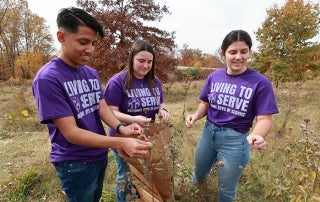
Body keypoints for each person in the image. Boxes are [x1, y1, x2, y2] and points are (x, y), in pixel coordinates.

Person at [32, 7, 152, 202]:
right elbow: (71, 133)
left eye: (94, 43)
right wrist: (121, 142)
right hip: (75, 162)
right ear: (61, 37)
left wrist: (122, 128)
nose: (90, 49)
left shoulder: (90, 73)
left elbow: (101, 106)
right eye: (83, 42)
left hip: (99, 154)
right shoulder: (48, 79)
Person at [185, 30, 279, 202]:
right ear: (223, 54)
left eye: (243, 51)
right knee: (197, 176)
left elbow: (264, 119)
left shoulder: (260, 82)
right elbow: (205, 103)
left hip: (235, 142)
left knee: (226, 190)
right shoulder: (214, 77)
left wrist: (257, 134)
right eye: (232, 52)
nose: (238, 57)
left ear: (249, 52)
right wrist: (195, 115)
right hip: (208, 134)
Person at [103, 39, 170, 201]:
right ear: (131, 58)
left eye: (149, 62)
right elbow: (110, 111)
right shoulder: (118, 81)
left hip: (148, 136)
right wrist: (133, 118)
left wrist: (163, 110)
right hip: (123, 136)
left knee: (146, 174)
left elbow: (160, 102)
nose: (146, 66)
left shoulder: (155, 81)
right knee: (126, 175)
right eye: (141, 61)